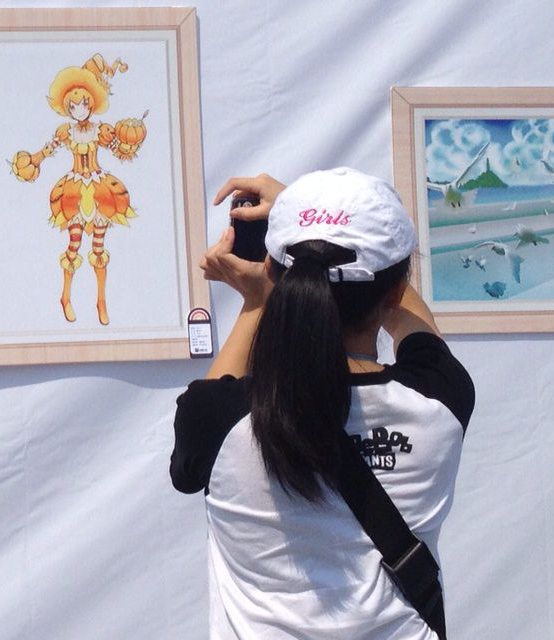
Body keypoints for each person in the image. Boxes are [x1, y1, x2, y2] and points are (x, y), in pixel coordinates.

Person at [171, 168, 475, 639]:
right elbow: (416, 326)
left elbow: (197, 443)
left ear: (274, 273)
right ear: (396, 288)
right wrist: (309, 220)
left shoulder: (218, 422)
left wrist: (255, 304)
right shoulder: (440, 398)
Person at [11, 53, 147, 325]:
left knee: (98, 248)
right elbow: (46, 151)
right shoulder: (65, 132)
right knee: (73, 246)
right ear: (66, 108)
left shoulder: (102, 130)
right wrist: (33, 161)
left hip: (99, 190)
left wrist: (132, 140)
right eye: (73, 106)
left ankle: (101, 302)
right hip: (74, 192)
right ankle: (65, 297)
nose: (79, 109)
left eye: (83, 103)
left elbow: (120, 151)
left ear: (92, 102)